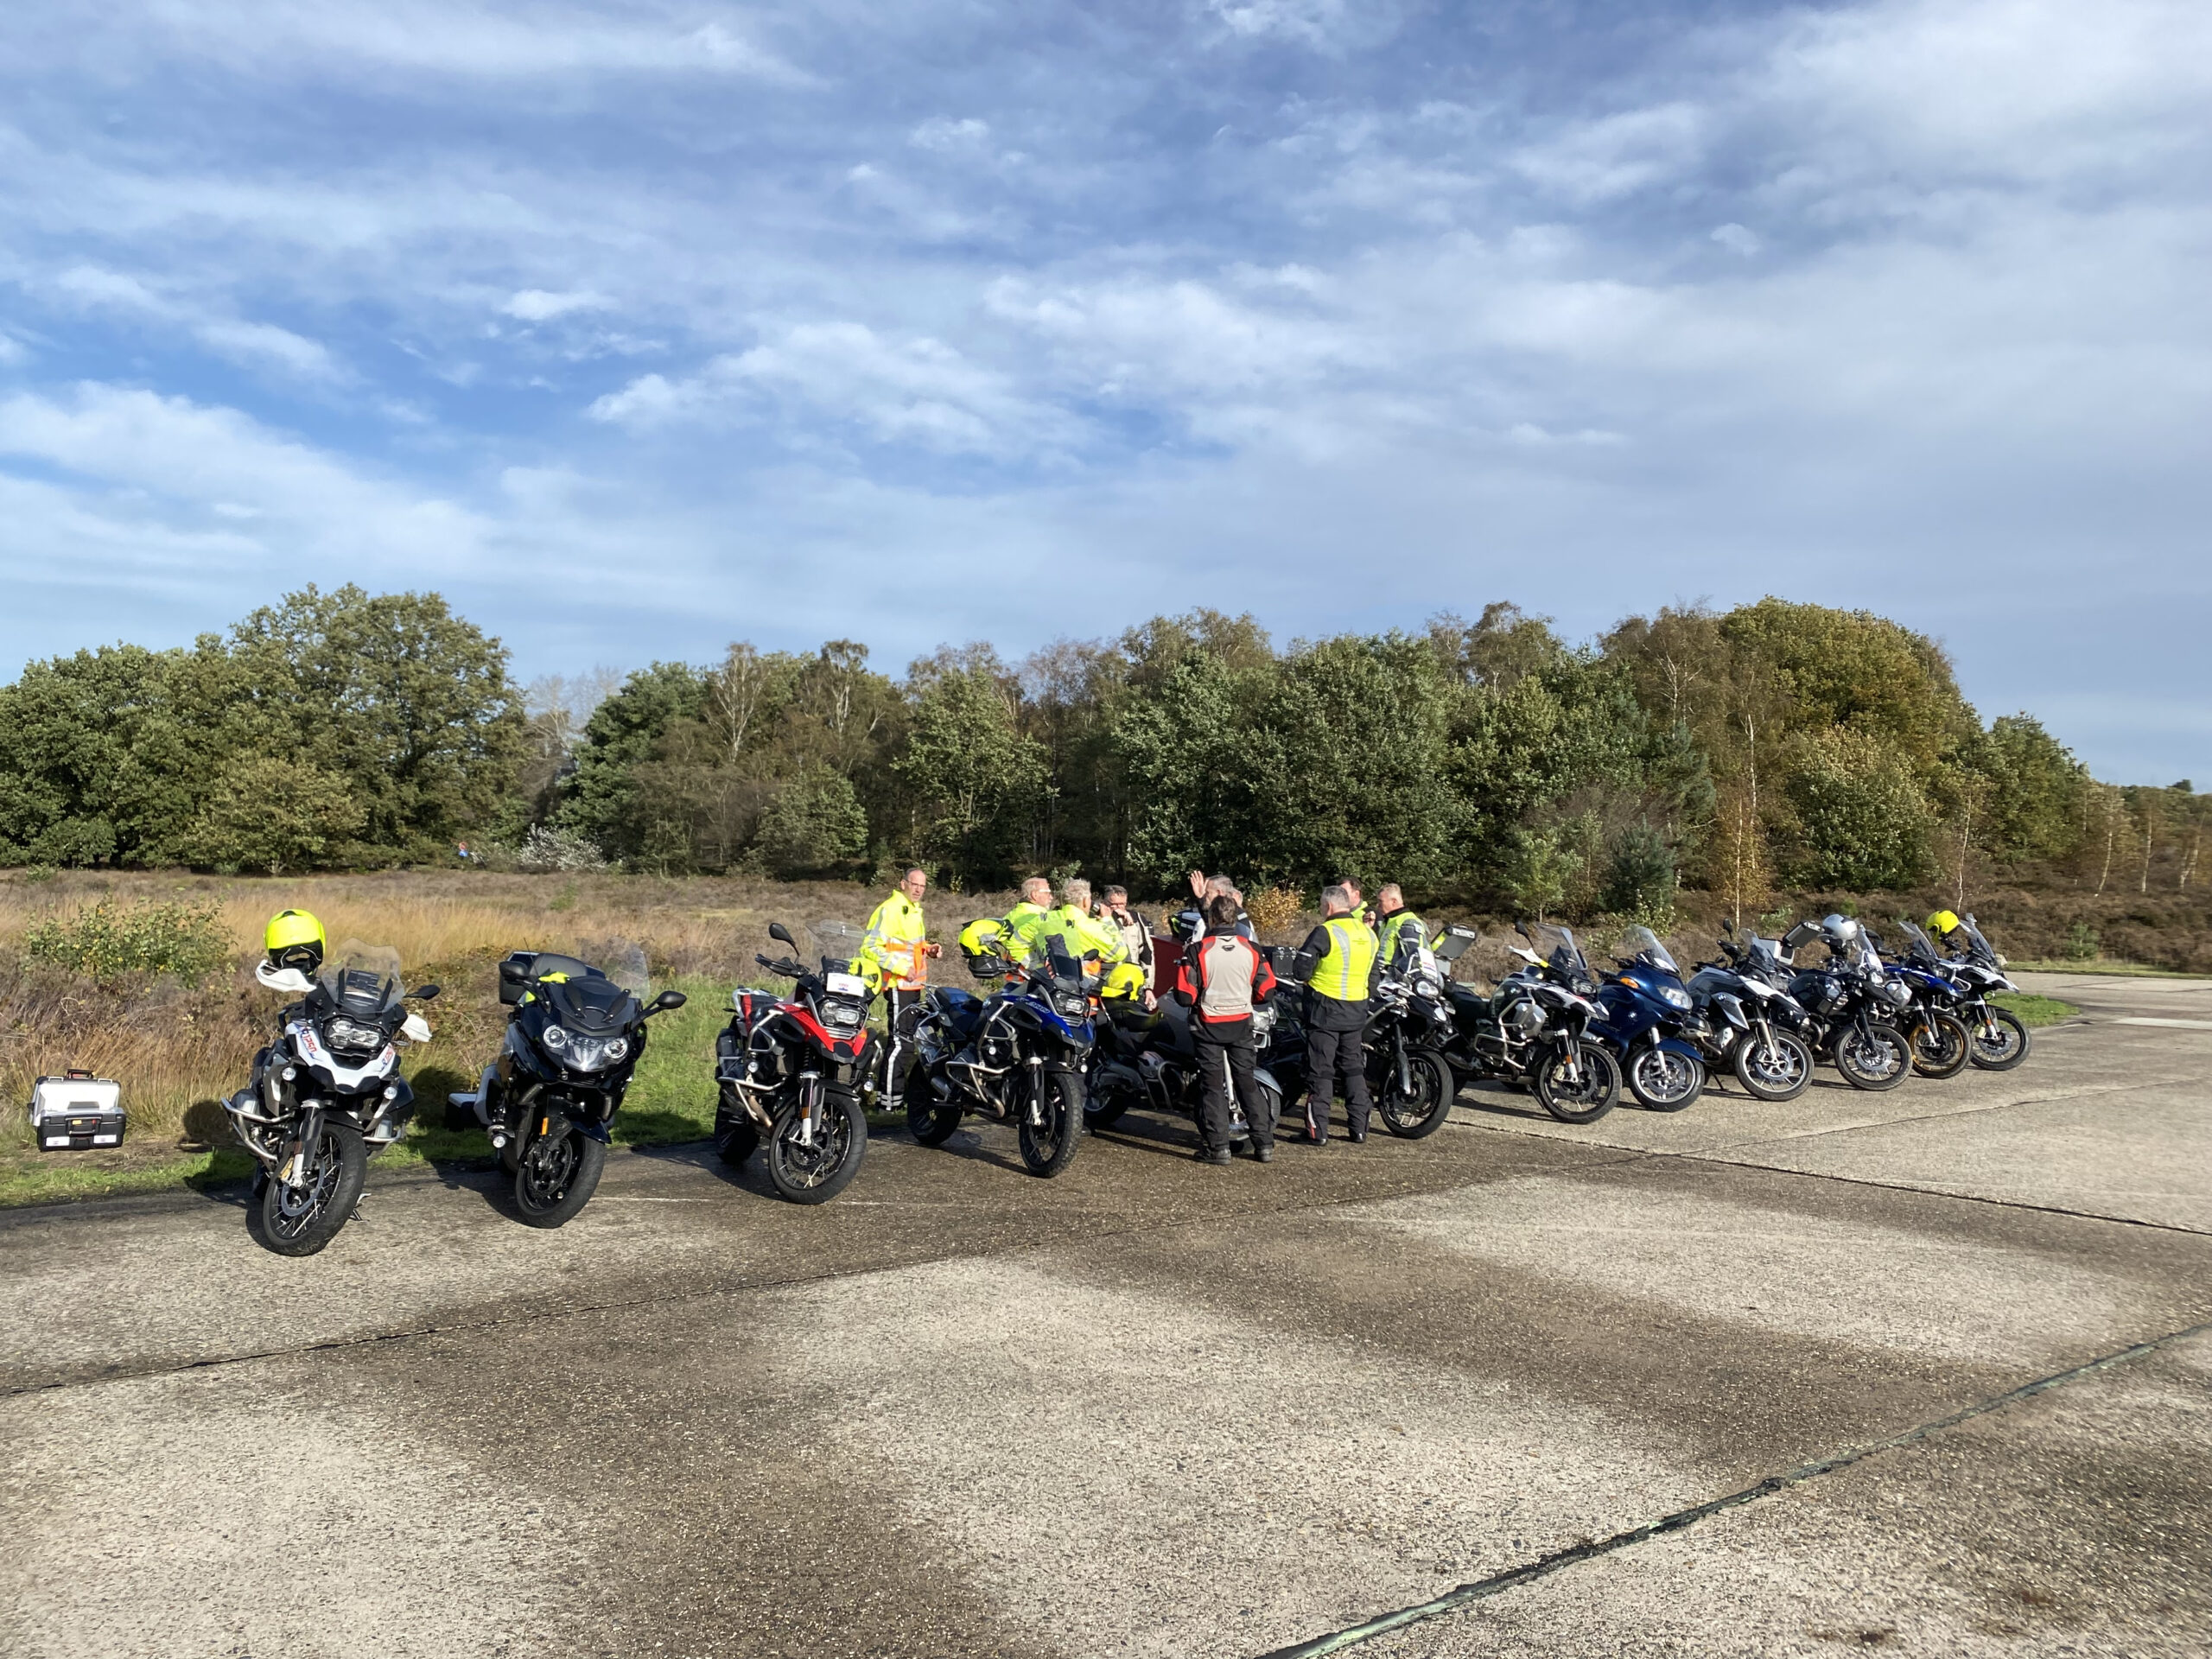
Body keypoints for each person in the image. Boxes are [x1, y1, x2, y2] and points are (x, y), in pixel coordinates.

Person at [1174, 893, 1280, 1164]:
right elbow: (1267, 989)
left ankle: (1218, 1148)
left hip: (1208, 1025)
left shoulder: (1197, 950)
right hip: (1242, 1022)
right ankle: (1264, 1144)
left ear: (1211, 918)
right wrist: (1247, 998)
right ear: (1234, 918)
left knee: (1212, 1086)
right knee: (1246, 1081)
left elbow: (1185, 996)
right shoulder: (1252, 949)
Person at [1292, 884, 1381, 1145]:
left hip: (1325, 1011)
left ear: (1328, 906)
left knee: (1321, 1071)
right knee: (1353, 1068)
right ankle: (1359, 1129)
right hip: (1356, 1011)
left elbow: (1300, 970)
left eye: (1321, 905)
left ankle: (1317, 1132)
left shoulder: (1325, 931)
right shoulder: (1368, 933)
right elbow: (1373, 977)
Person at [861, 868, 941, 1083]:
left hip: (913, 986)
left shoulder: (913, 909)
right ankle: (888, 1100)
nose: (919, 889)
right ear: (903, 883)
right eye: (915, 884)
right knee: (900, 1043)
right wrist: (903, 969)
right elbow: (870, 947)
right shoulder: (890, 909)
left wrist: (928, 949)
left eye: (923, 886)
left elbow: (907, 946)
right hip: (898, 985)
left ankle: (893, 1100)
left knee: (905, 1043)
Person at [1101, 885, 1157, 1007]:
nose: (1119, 908)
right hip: (1105, 983)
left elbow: (1147, 953)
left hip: (1133, 984)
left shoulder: (1137, 919)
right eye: (1114, 904)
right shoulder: (1096, 918)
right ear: (1105, 902)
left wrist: (1148, 988)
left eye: (1123, 904)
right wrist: (1112, 916)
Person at [1375, 884, 1429, 976]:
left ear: (1394, 902)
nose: (1378, 905)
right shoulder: (1388, 921)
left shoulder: (1408, 923)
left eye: (1381, 902)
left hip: (1395, 981)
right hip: (1382, 978)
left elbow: (1414, 960)